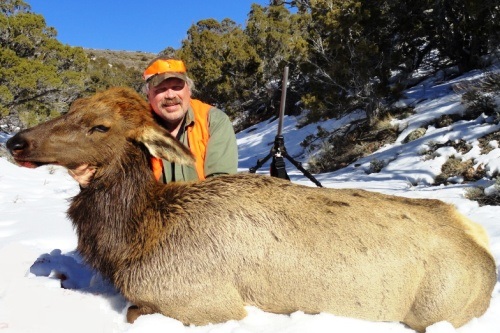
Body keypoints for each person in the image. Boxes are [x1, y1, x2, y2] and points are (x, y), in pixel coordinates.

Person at [70, 57, 238, 186]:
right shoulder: (132, 128)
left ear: (189, 90)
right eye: (161, 89)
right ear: (148, 95)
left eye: (177, 87)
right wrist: (89, 182)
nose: (170, 95)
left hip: (204, 217)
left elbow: (221, 184)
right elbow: (117, 186)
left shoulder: (213, 120)